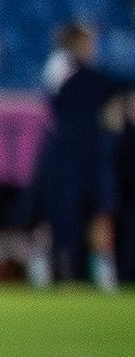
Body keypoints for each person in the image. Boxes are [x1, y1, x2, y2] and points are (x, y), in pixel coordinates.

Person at [39, 25, 117, 290]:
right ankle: (67, 270)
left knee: (92, 214)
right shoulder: (64, 70)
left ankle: (89, 271)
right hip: (75, 156)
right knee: (71, 216)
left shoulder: (80, 75)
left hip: (81, 155)